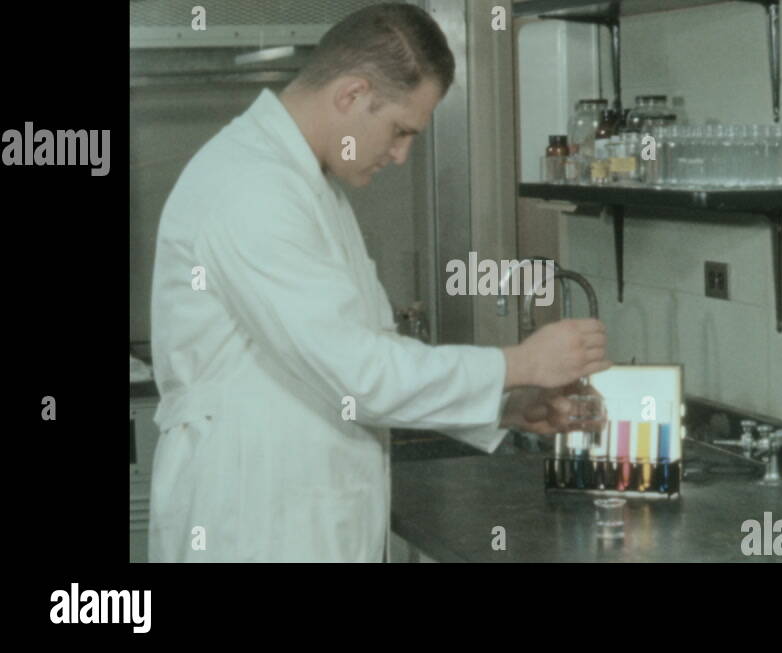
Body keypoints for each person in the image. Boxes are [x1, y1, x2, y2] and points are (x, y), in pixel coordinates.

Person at [147, 3, 611, 563]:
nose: (400, 153)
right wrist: (520, 363)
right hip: (252, 525)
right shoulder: (251, 189)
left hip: (301, 519)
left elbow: (371, 356)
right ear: (350, 95)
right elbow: (359, 376)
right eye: (399, 129)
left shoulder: (309, 187)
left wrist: (508, 405)